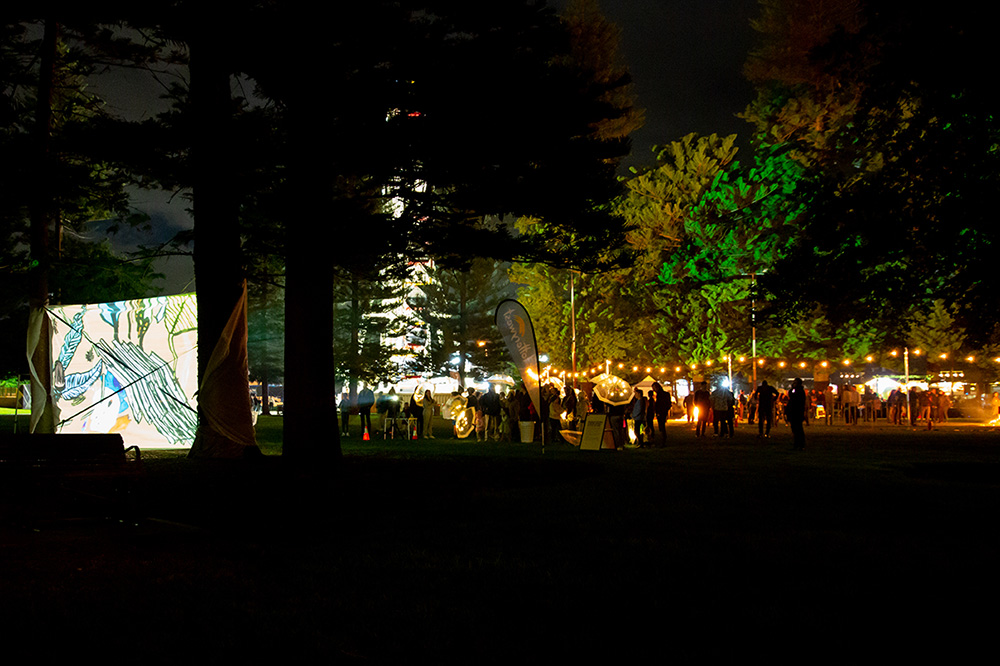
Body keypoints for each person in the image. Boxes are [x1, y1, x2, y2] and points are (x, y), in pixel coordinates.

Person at [788, 378, 807, 450]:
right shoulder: (800, 391)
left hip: (796, 411)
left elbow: (791, 395)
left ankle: (799, 444)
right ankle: (799, 443)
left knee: (797, 429)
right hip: (797, 411)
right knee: (796, 428)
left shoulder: (798, 391)